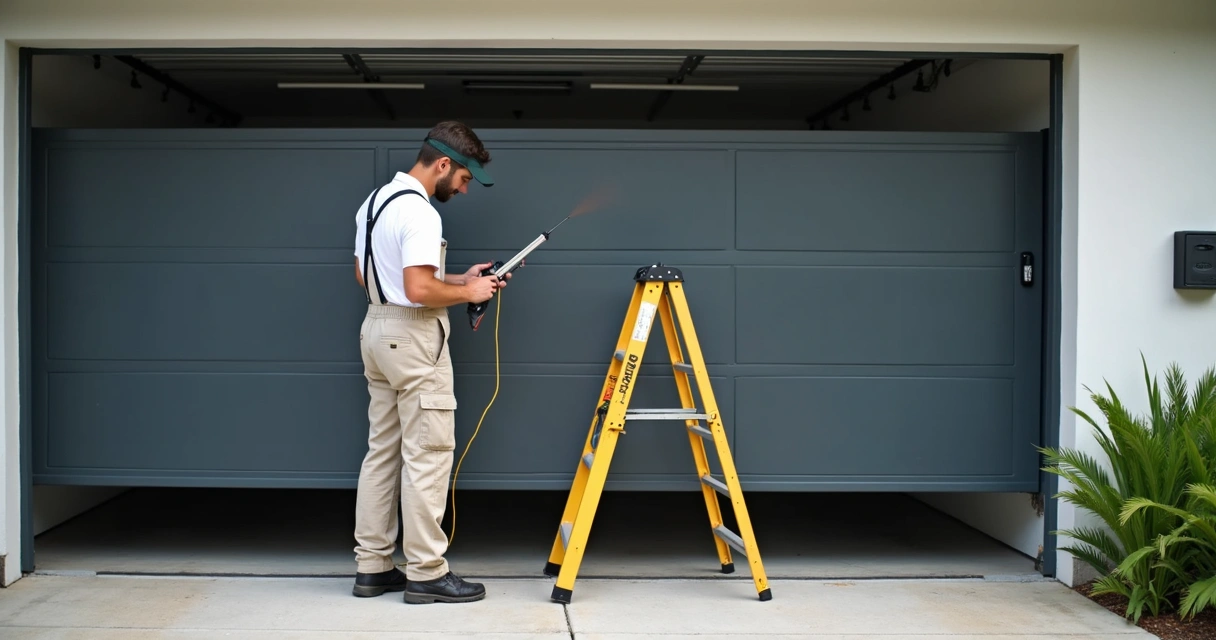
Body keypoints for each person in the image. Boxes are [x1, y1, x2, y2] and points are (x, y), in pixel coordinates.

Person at [349, 121, 507, 604]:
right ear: (443, 163)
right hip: (415, 339)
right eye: (462, 179)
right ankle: (426, 572)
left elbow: (367, 275)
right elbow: (418, 291)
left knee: (383, 452)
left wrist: (459, 277)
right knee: (428, 454)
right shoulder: (421, 213)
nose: (462, 189)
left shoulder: (374, 203)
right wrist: (468, 292)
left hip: (376, 328)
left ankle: (373, 567)